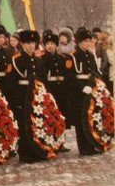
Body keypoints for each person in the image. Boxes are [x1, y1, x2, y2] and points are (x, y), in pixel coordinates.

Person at [6, 30, 48, 162]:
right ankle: (25, 153)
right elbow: (11, 83)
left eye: (33, 43)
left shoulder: (38, 60)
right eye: (27, 43)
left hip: (36, 96)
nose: (31, 46)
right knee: (24, 126)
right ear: (22, 44)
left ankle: (37, 150)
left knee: (36, 124)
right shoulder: (15, 60)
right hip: (22, 95)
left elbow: (43, 80)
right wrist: (16, 101)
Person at [65, 28, 103, 156]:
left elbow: (94, 71)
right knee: (80, 121)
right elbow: (70, 76)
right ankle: (84, 147)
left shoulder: (90, 55)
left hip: (90, 89)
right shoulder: (73, 57)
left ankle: (92, 144)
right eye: (85, 41)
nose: (88, 43)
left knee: (90, 119)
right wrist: (81, 87)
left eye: (89, 41)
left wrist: (97, 84)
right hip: (78, 93)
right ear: (79, 42)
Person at [41, 30, 71, 130]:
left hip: (61, 89)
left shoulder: (62, 58)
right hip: (50, 88)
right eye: (48, 44)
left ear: (56, 45)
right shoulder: (42, 59)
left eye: (52, 43)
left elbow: (67, 74)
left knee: (62, 115)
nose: (50, 46)